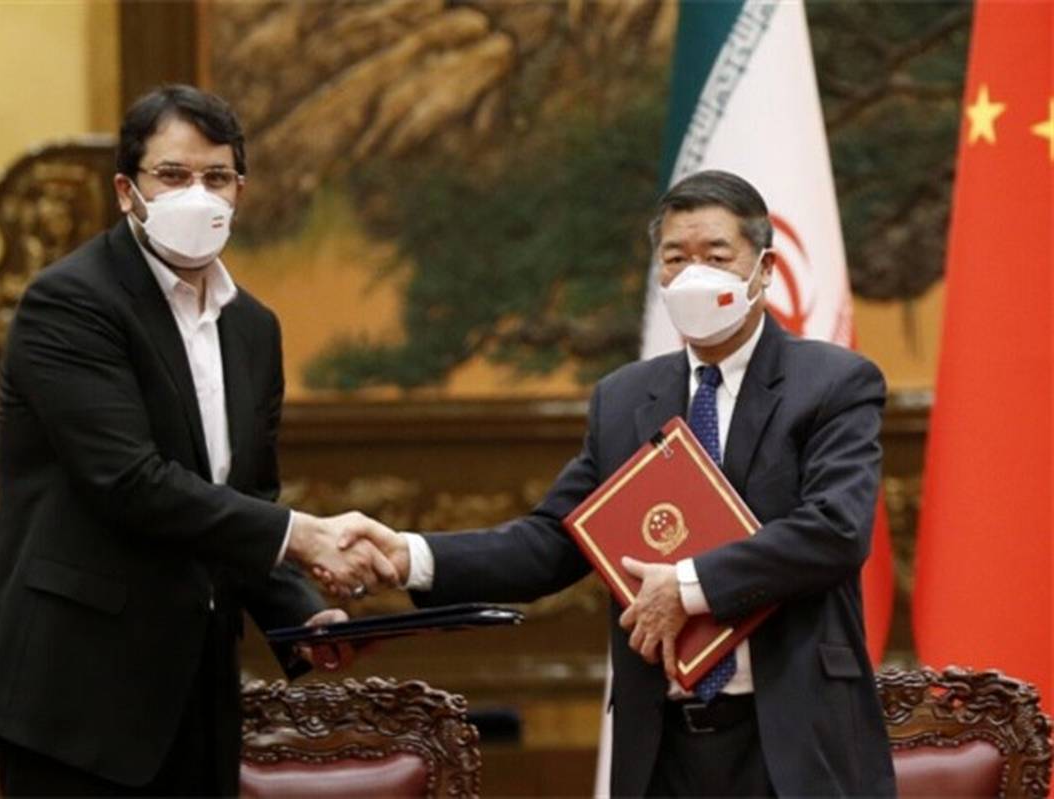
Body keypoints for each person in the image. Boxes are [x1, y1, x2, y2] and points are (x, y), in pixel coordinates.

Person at [336, 170, 897, 796]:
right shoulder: (626, 398)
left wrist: (688, 587)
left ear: (764, 269)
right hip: (662, 749)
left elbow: (835, 529)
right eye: (675, 259)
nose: (694, 275)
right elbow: (551, 543)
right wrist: (409, 556)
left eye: (716, 257)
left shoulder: (833, 383)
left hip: (795, 743)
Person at [0, 84, 397, 797]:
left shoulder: (252, 328)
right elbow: (129, 481)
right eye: (172, 175)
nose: (197, 196)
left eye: (216, 177)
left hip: (198, 696)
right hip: (77, 699)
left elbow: (244, 499)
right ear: (127, 191)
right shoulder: (70, 302)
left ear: (240, 191)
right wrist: (303, 536)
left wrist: (304, 615)